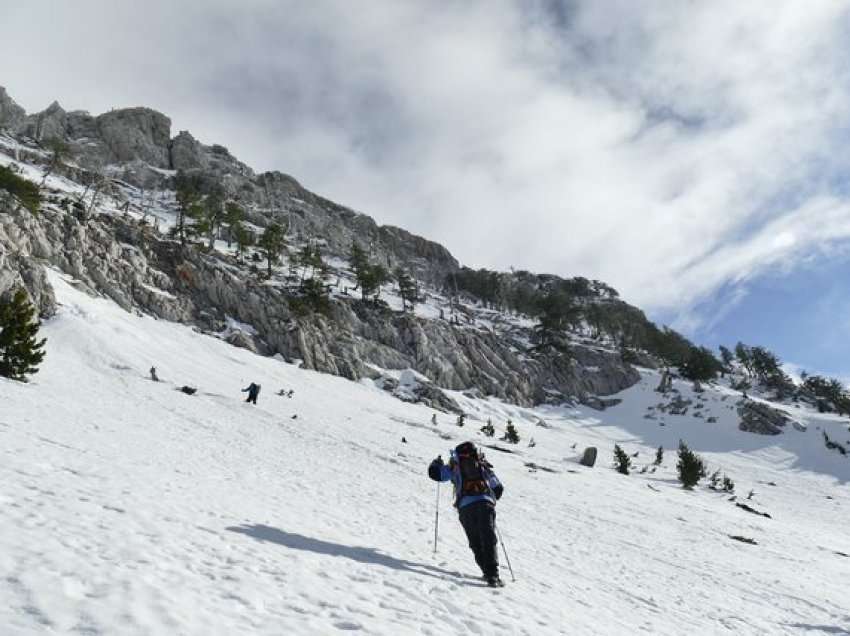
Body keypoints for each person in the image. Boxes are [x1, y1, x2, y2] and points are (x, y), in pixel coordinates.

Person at [428, 441, 505, 586]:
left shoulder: (454, 466)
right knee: (488, 537)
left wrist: (436, 464)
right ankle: (492, 575)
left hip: (465, 507)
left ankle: (486, 572)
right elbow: (498, 489)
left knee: (475, 540)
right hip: (485, 503)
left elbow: (436, 474)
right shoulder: (483, 466)